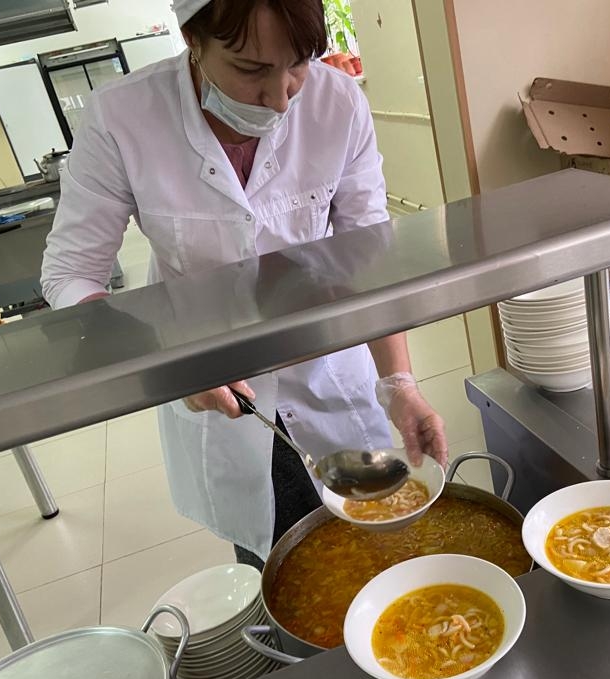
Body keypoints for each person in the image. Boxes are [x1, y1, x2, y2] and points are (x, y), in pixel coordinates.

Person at [40, 0, 448, 568]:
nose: (281, 96)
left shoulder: (336, 102)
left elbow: (369, 257)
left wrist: (399, 383)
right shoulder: (122, 117)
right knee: (280, 562)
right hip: (221, 392)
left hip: (328, 373)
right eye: (251, 69)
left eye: (298, 63)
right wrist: (171, 365)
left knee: (382, 558)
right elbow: (70, 273)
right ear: (192, 38)